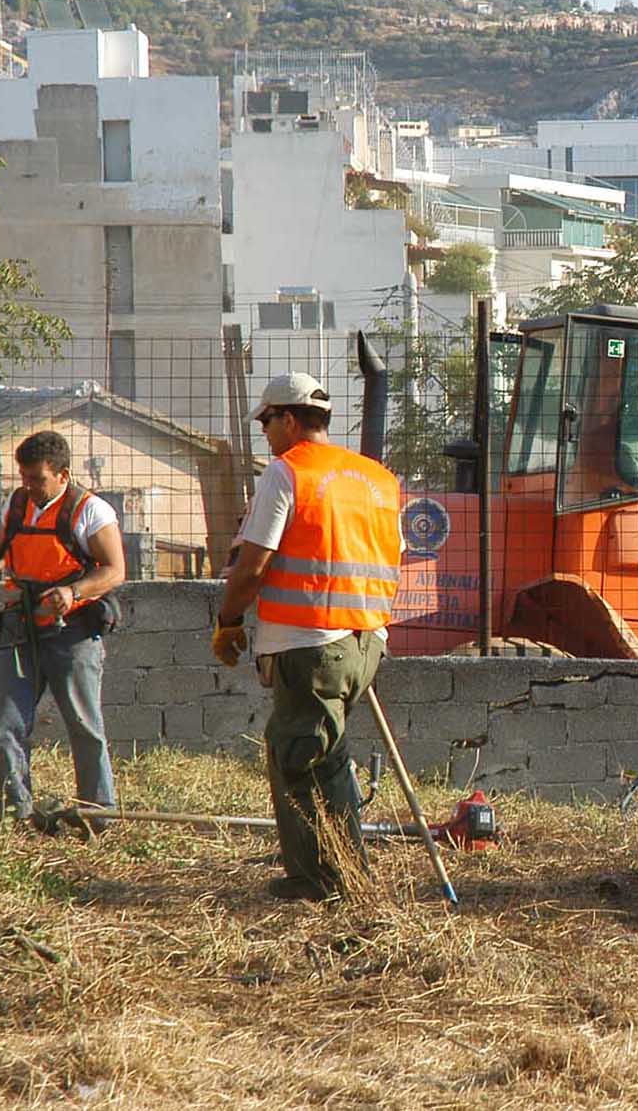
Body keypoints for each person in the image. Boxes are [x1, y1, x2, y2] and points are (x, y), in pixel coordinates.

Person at [211, 372, 402, 902]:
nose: (265, 433)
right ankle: (333, 870)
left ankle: (327, 878)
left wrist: (229, 619)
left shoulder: (286, 472)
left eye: (267, 422)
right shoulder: (376, 478)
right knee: (322, 753)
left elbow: (253, 568)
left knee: (301, 757)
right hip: (365, 640)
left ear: (289, 420)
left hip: (310, 641)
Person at [0, 430, 125, 827]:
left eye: (37, 478)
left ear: (63, 475)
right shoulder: (18, 505)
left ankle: (97, 816)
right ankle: (16, 813)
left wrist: (73, 592)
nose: (29, 486)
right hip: (20, 626)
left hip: (72, 631)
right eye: (24, 476)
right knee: (5, 726)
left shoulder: (92, 511)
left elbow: (114, 571)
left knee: (84, 727)